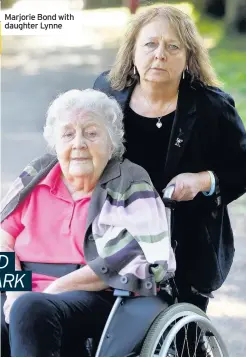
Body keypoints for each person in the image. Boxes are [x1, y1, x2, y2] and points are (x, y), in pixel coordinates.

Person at [93, 4, 246, 314]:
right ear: (133, 52)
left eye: (173, 46)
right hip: (116, 234)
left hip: (187, 243)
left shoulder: (211, 107)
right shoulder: (108, 92)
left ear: (188, 57)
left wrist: (203, 179)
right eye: (150, 44)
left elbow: (245, 167)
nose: (159, 54)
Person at [0, 89, 176, 357]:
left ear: (112, 142)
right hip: (26, 289)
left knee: (31, 308)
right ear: (56, 142)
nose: (79, 143)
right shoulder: (36, 177)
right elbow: (4, 239)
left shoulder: (129, 182)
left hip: (100, 296)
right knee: (24, 307)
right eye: (68, 134)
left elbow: (143, 254)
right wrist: (14, 291)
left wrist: (55, 289)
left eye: (91, 133)